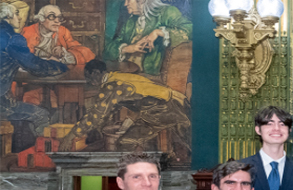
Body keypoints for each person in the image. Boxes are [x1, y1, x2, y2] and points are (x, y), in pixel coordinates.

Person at [59, 60, 191, 157]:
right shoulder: (117, 77)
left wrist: (71, 135)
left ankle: (132, 172)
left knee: (126, 142)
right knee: (188, 138)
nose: (88, 81)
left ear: (96, 73)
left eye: (89, 76)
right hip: (171, 104)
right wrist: (126, 123)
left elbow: (96, 114)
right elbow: (137, 102)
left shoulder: (111, 86)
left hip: (167, 107)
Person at [0, 3, 67, 139]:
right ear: (8, 17)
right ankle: (37, 154)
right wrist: (59, 65)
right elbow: (36, 66)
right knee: (41, 115)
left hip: (4, 99)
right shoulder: (12, 39)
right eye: (16, 14)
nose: (19, 18)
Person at [103, 0, 192, 76]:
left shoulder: (167, 12)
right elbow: (108, 50)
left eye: (128, 0)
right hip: (127, 74)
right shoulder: (130, 22)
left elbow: (190, 30)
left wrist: (158, 32)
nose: (125, 4)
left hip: (152, 77)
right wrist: (126, 48)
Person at [21, 5, 94, 65]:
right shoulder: (27, 32)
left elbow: (86, 53)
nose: (57, 21)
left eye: (59, 17)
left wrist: (64, 53)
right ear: (41, 19)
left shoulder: (63, 31)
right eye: (51, 16)